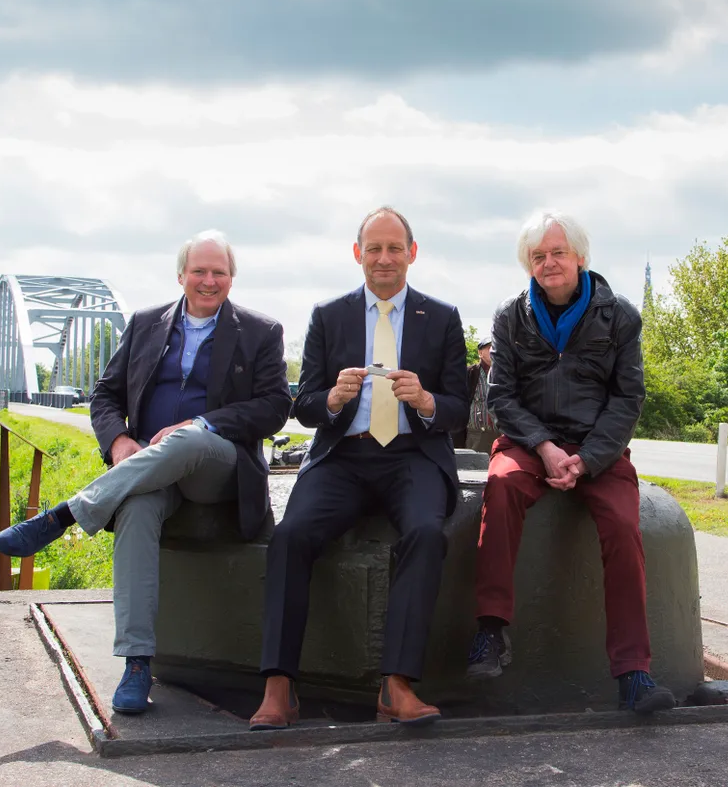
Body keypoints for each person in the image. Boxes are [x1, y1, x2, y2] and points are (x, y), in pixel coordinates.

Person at [0, 230, 292, 715]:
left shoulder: (261, 332)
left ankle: (67, 514)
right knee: (134, 510)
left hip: (216, 466)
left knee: (189, 438)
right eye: (199, 271)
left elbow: (276, 407)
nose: (208, 281)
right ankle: (136, 663)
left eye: (219, 272)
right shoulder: (147, 323)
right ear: (181, 276)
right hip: (149, 471)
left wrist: (201, 422)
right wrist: (118, 441)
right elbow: (106, 394)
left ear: (232, 279)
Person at [251, 207, 468, 730]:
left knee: (425, 532)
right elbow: (301, 405)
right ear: (358, 254)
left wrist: (426, 402)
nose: (384, 258)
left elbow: (460, 408)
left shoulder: (441, 317)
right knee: (291, 535)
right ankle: (278, 685)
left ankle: (397, 685)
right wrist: (331, 399)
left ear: (412, 254)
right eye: (374, 248)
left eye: (395, 248)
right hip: (343, 458)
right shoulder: (329, 315)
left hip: (413, 457)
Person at [465, 212, 676, 713]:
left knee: (625, 527)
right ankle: (491, 631)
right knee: (502, 489)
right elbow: (502, 396)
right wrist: (543, 446)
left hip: (596, 450)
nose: (548, 263)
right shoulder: (510, 316)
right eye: (538, 256)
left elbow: (628, 398)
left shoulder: (619, 315)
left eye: (558, 253)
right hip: (529, 444)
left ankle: (634, 673)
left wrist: (587, 458)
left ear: (580, 257)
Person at [456, 338, 499, 454]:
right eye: (489, 347)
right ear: (480, 353)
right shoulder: (469, 373)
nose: (494, 350)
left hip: (500, 434)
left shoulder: (504, 373)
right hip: (476, 435)